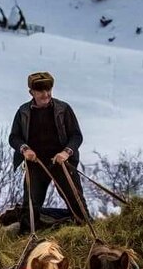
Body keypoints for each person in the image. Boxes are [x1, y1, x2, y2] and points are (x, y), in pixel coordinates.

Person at [9, 71, 89, 234]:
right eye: (40, 91)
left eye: (48, 90)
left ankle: (86, 232)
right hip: (36, 163)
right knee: (31, 204)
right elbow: (14, 137)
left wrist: (66, 153)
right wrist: (25, 149)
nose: (45, 94)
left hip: (61, 162)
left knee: (75, 200)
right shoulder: (23, 111)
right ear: (31, 92)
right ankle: (27, 238)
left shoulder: (63, 109)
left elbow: (76, 136)